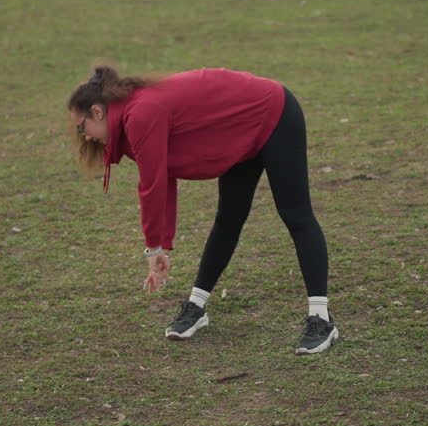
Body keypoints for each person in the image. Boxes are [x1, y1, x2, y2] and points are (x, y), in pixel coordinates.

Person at [67, 66, 338, 355]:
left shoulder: (140, 113)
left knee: (296, 215)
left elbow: (152, 185)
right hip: (240, 126)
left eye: (81, 128)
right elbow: (163, 175)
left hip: (273, 112)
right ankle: (196, 306)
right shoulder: (132, 112)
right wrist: (162, 246)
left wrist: (153, 249)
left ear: (97, 112)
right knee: (229, 218)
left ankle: (322, 319)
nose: (85, 137)